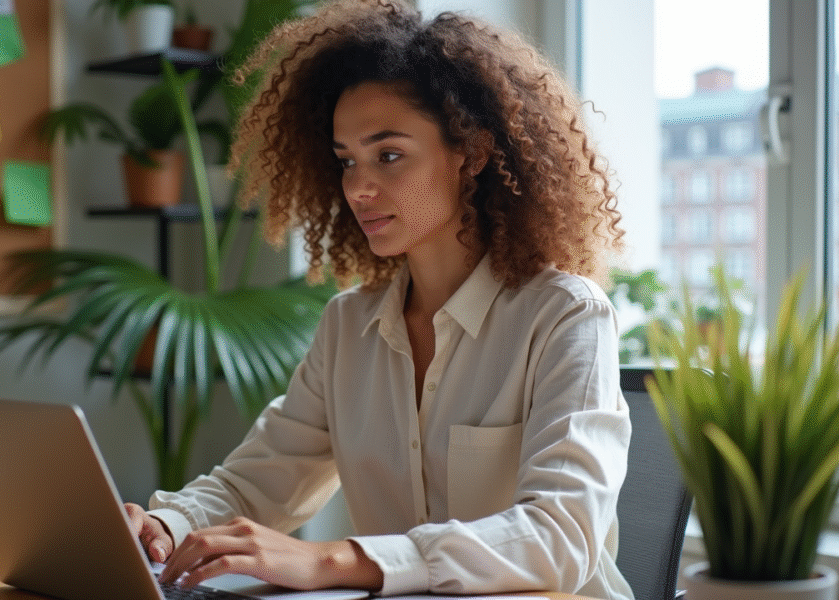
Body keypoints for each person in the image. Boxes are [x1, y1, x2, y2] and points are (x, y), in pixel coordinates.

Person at [124, 0, 632, 598]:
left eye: (388, 155)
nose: (359, 188)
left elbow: (561, 538)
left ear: (471, 153)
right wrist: (165, 524)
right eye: (346, 161)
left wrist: (333, 561)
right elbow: (257, 482)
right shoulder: (349, 325)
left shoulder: (565, 315)